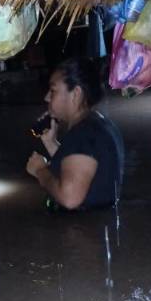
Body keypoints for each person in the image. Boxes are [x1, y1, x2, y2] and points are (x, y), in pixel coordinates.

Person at [25, 58, 124, 211]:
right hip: (99, 225)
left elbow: (69, 198)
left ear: (75, 93)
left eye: (53, 91)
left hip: (83, 230)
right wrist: (51, 143)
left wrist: (40, 171)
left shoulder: (82, 135)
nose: (46, 97)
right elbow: (81, 167)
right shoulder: (99, 124)